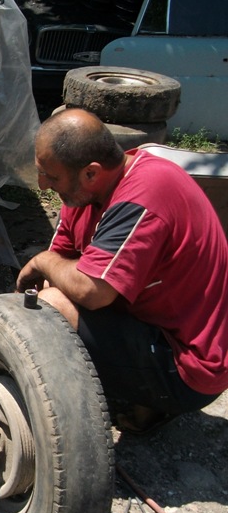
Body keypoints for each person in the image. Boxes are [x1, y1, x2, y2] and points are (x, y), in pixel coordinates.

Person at [16, 107, 228, 432]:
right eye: (41, 173)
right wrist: (47, 269)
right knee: (50, 292)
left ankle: (138, 405)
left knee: (52, 307)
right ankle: (143, 398)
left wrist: (41, 261)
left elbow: (92, 291)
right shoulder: (86, 193)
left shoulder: (144, 194)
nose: (43, 186)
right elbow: (58, 263)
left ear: (91, 172)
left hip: (191, 367)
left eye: (52, 177)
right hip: (156, 325)